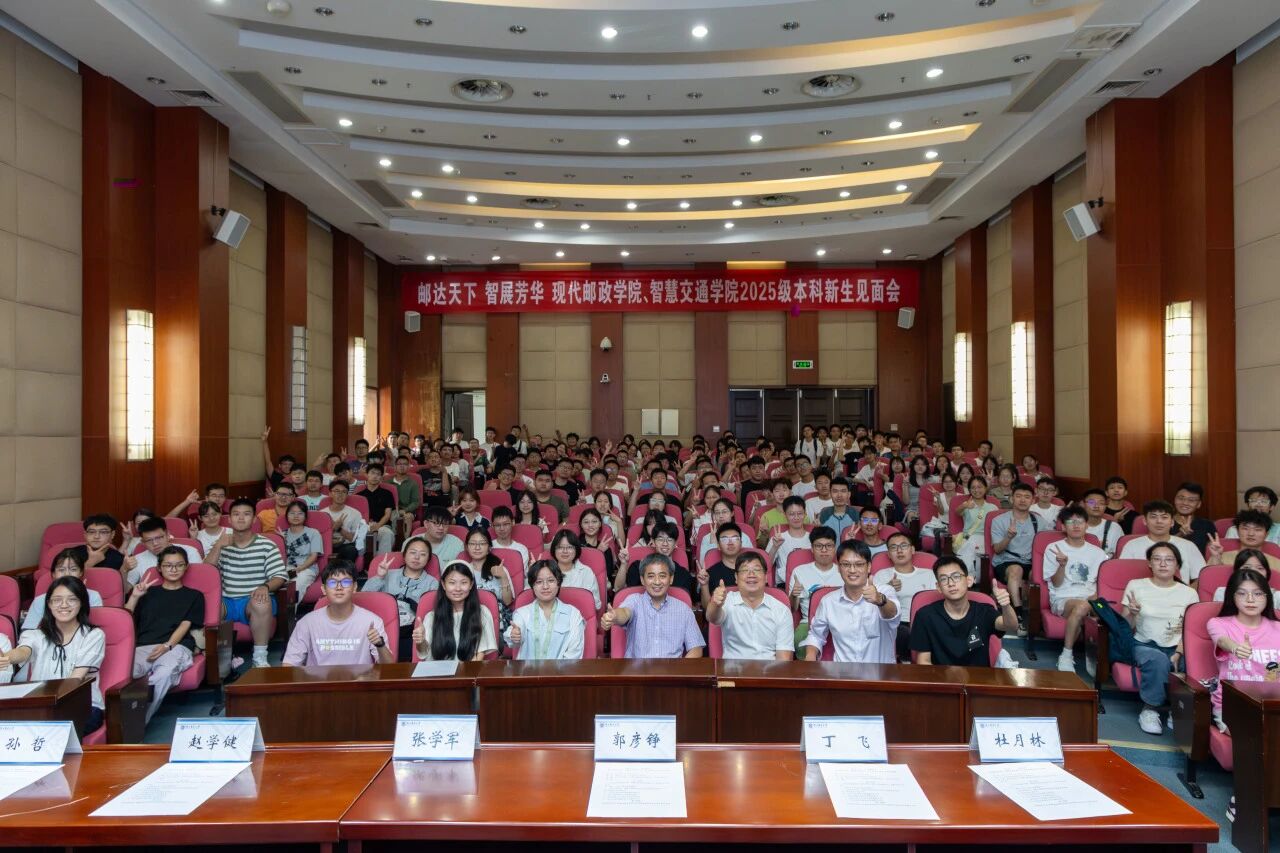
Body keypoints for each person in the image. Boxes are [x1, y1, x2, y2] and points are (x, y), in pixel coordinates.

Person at [3, 577, 106, 733]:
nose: (64, 605)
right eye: (57, 600)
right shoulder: (36, 635)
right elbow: (23, 652)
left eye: (72, 599)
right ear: (49, 604)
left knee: (49, 730)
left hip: (85, 706)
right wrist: (7, 657)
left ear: (82, 603)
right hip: (41, 706)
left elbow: (75, 679)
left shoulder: (93, 635)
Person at [1122, 542, 1200, 735]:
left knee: (1192, 661)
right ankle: (1150, 708)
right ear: (1150, 563)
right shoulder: (1136, 585)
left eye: (1169, 560)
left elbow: (1190, 631)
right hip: (1143, 643)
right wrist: (1132, 613)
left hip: (1178, 645)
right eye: (1157, 559)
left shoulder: (1189, 593)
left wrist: (1179, 652)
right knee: (1157, 660)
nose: (1163, 564)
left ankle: (1178, 709)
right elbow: (1125, 627)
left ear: (1177, 565)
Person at [124, 545, 203, 722]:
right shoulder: (146, 592)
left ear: (186, 567)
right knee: (124, 674)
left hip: (176, 646)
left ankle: (135, 725)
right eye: (168, 565)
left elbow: (185, 625)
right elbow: (124, 620)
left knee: (163, 674)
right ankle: (114, 721)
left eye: (179, 565)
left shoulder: (194, 595)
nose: (173, 569)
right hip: (143, 646)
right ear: (159, 568)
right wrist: (135, 597)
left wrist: (167, 646)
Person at [216, 498, 289, 668]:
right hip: (226, 600)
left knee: (261, 602)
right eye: (236, 514)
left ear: (254, 519)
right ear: (229, 519)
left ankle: (260, 657)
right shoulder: (221, 544)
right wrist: (218, 546)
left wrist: (265, 586)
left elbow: (279, 576)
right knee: (208, 606)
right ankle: (216, 659)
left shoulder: (267, 545)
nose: (241, 518)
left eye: (246, 514)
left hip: (251, 599)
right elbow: (207, 572)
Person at [801, 541, 899, 663]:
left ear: (869, 566)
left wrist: (880, 600)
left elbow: (893, 614)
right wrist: (810, 656)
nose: (852, 570)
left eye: (859, 564)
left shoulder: (884, 591)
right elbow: (815, 635)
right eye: (846, 564)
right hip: (842, 672)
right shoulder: (828, 601)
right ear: (838, 567)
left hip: (880, 672)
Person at [1207, 564, 1280, 730]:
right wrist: (1235, 648)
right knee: (1255, 737)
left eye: (1257, 593)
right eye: (1242, 593)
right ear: (1232, 596)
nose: (1250, 599)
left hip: (1273, 705)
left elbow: (1275, 674)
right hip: (1232, 705)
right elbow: (1222, 641)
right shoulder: (1218, 623)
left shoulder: (1278, 628)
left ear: (1267, 596)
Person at [910, 557, 1017, 666]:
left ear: (968, 581)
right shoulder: (925, 616)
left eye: (956, 577)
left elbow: (1011, 626)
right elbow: (924, 661)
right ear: (939, 587)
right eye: (943, 579)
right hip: (940, 676)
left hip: (978, 676)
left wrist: (1006, 606)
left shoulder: (984, 611)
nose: (951, 583)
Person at [283, 562, 392, 666]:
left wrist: (380, 645)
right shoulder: (306, 623)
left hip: (359, 679)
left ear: (354, 587)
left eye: (346, 582)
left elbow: (388, 668)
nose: (339, 587)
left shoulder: (372, 622)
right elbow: (290, 663)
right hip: (320, 679)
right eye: (332, 583)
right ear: (324, 589)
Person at [602, 554, 705, 659]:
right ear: (642, 580)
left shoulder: (683, 609)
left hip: (672, 668)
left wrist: (679, 668)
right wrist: (614, 616)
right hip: (637, 668)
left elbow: (696, 648)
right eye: (651, 576)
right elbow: (624, 612)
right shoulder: (634, 600)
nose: (657, 582)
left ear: (671, 578)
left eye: (662, 576)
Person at [1044, 505, 1108, 671]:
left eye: (1080, 521)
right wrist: (1062, 565)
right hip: (1063, 599)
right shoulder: (1054, 548)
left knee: (1106, 610)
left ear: (1087, 525)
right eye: (1070, 522)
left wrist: (1095, 597)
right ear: (1063, 527)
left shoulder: (1098, 553)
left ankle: (1110, 658)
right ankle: (1066, 655)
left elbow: (1103, 583)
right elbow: (1056, 584)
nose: (1076, 525)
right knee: (1082, 607)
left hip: (1092, 599)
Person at [706, 552, 794, 661]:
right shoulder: (727, 600)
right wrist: (716, 604)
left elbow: (783, 658)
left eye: (757, 570)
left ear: (766, 577)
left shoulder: (781, 610)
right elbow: (712, 618)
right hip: (732, 668)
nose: (751, 574)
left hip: (768, 669)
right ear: (736, 577)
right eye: (745, 570)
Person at [364, 539, 439, 661]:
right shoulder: (388, 574)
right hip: (382, 626)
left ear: (428, 559)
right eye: (413, 552)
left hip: (412, 631)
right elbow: (364, 598)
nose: (417, 557)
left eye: (422, 554)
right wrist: (380, 577)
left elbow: (432, 613)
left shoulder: (432, 583)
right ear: (404, 555)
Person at [411, 561, 498, 661]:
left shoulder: (482, 612)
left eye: (464, 582)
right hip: (437, 669)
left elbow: (479, 655)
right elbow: (424, 654)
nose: (458, 588)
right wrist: (420, 641)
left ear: (471, 584)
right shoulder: (431, 617)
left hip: (469, 669)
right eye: (452, 583)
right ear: (443, 584)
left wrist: (467, 670)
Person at [872, 532, 937, 662]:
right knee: (902, 632)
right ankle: (906, 662)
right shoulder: (882, 575)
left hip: (925, 620)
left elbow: (937, 600)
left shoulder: (929, 574)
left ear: (912, 550)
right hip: (897, 622)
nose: (899, 550)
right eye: (894, 547)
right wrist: (887, 588)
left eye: (903, 546)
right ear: (889, 554)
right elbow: (873, 603)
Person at [505, 560, 586, 661]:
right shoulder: (522, 613)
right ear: (532, 586)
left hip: (563, 670)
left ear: (558, 583)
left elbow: (574, 653)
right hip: (527, 670)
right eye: (539, 582)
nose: (545, 586)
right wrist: (514, 635)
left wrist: (556, 671)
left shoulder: (573, 614)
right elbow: (514, 638)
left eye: (551, 581)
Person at [988, 482, 1039, 632]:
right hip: (1005, 561)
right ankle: (1018, 611)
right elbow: (997, 549)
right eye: (1018, 496)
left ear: (1032, 500)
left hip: (1030, 562)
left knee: (1037, 574)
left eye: (1027, 497)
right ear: (1011, 499)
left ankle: (1037, 614)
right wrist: (1008, 537)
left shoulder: (1039, 521)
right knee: (1016, 570)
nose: (1022, 500)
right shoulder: (999, 520)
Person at [1119, 500, 1207, 585]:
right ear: (1145, 521)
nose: (1159, 521)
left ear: (1172, 522)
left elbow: (1200, 578)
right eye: (1153, 517)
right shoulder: (1131, 545)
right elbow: (1123, 575)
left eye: (1164, 517)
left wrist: (1187, 592)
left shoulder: (1188, 546)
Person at [22, 549, 103, 629]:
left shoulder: (93, 596)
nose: (67, 574)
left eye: (73, 569)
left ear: (81, 572)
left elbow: (93, 629)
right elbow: (27, 630)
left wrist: (82, 596)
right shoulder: (40, 600)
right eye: (61, 570)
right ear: (53, 574)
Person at [789, 526, 842, 645]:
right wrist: (794, 595)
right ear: (812, 548)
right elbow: (793, 609)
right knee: (799, 638)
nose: (824, 550)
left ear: (835, 548)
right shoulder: (799, 571)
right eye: (819, 546)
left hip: (840, 620)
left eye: (829, 546)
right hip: (809, 622)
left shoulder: (844, 571)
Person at [121, 516, 202, 587]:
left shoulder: (190, 552)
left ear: (168, 535)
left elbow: (200, 582)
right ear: (142, 542)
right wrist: (124, 570)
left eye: (159, 538)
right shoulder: (137, 560)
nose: (155, 543)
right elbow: (126, 590)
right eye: (149, 540)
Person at [463, 527, 515, 633]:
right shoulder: (463, 570)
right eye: (473, 543)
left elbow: (508, 601)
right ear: (467, 547)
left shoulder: (499, 569)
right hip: (470, 620)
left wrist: (503, 577)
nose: (477, 547)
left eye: (482, 543)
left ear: (489, 548)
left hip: (497, 621)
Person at [953, 476, 997, 579]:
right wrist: (964, 506)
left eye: (979, 487)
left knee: (974, 547)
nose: (976, 490)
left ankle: (968, 577)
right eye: (973, 487)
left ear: (985, 488)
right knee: (972, 545)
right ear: (969, 490)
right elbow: (957, 512)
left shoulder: (993, 507)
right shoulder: (967, 505)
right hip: (969, 538)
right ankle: (969, 578)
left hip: (986, 539)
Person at [548, 530, 603, 611]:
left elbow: (596, 605)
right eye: (560, 547)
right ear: (554, 550)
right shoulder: (546, 572)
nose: (565, 551)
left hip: (581, 615)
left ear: (576, 549)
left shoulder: (586, 572)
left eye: (569, 547)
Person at [1207, 510, 1280, 571]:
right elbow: (1209, 579)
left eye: (1257, 529)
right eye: (1245, 528)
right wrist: (1216, 557)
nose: (1251, 534)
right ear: (1237, 531)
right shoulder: (1221, 557)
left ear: (1266, 534)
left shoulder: (1276, 563)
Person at [766, 496, 813, 587]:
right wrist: (775, 547)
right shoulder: (778, 538)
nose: (796, 517)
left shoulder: (813, 538)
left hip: (810, 582)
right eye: (791, 514)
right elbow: (766, 566)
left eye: (800, 513)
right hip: (785, 584)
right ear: (785, 515)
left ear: (805, 514)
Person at [282, 500, 323, 601]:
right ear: (287, 516)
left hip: (306, 568)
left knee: (297, 584)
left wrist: (300, 568)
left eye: (300, 513)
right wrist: (280, 540)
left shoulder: (313, 533)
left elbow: (314, 556)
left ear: (305, 516)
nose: (296, 516)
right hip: (288, 568)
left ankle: (290, 610)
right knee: (277, 581)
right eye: (292, 513)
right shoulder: (283, 534)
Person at [357, 463, 397, 554]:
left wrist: (378, 525)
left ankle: (381, 561)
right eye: (372, 473)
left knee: (387, 533)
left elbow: (388, 514)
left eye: (378, 474)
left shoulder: (387, 494)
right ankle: (363, 562)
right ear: (366, 475)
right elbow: (357, 516)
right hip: (364, 527)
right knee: (359, 538)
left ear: (381, 478)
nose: (375, 476)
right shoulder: (359, 496)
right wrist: (367, 526)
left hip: (382, 526)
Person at [323, 479, 365, 563]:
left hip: (345, 546)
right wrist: (333, 529)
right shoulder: (322, 514)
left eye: (344, 492)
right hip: (326, 545)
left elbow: (355, 539)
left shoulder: (355, 513)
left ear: (347, 494)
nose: (340, 494)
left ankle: (343, 570)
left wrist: (340, 529)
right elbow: (317, 538)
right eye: (337, 491)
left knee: (351, 550)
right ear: (330, 493)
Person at [1170, 482, 1216, 554]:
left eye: (1191, 500)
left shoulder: (1207, 525)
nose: (1185, 503)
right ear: (1175, 499)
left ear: (1199, 504)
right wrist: (1180, 534)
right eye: (1181, 498)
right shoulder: (1162, 522)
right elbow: (1159, 547)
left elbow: (1212, 552)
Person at [1081, 488, 1123, 556]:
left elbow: (1120, 555)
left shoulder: (1115, 528)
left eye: (1101, 503)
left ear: (1106, 506)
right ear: (1083, 504)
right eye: (1091, 502)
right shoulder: (1075, 526)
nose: (1096, 506)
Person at [818, 477, 859, 541]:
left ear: (849, 494)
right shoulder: (824, 514)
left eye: (843, 491)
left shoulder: (855, 514)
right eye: (835, 491)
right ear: (830, 494)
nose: (839, 495)